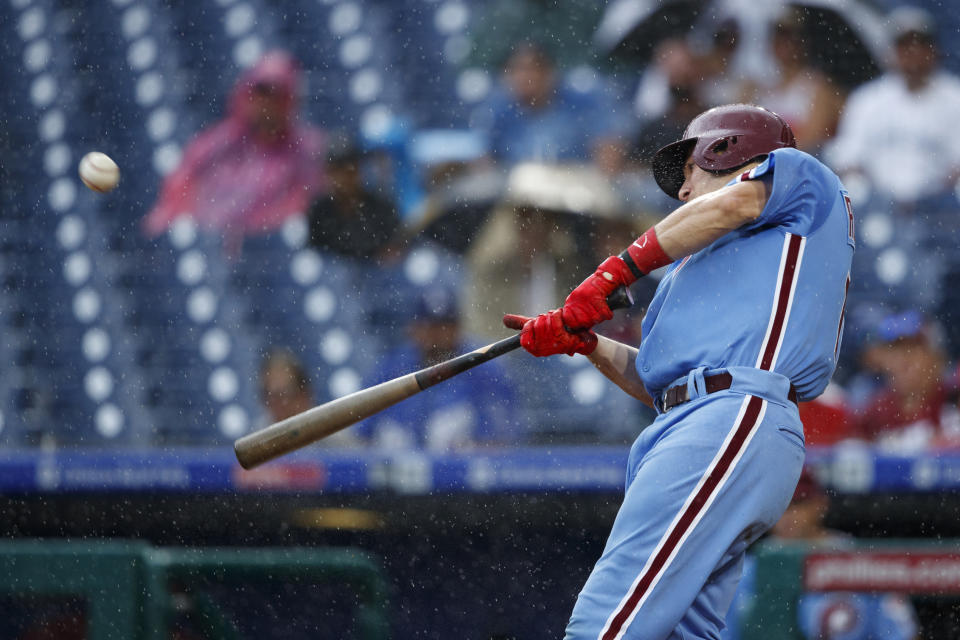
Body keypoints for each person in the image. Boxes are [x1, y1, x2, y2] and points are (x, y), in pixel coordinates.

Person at [502, 104, 853, 638]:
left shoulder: (802, 178)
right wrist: (587, 344)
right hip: (692, 421)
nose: (683, 192)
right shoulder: (690, 274)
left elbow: (733, 202)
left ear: (728, 149)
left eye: (689, 171)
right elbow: (655, 382)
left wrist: (611, 272)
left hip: (733, 412)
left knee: (607, 619)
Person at [143, 50, 325, 252]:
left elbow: (310, 212)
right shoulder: (215, 145)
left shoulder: (308, 152)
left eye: (277, 94)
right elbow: (173, 201)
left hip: (274, 257)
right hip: (210, 250)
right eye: (261, 91)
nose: (267, 102)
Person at [722, 469, 920, 640]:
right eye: (779, 504)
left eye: (796, 504)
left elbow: (903, 634)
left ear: (820, 504)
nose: (787, 514)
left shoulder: (860, 561)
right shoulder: (744, 572)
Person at [827, 6, 960, 205]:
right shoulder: (868, 99)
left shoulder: (954, 97)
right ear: (892, 52)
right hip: (879, 207)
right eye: (905, 46)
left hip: (938, 206)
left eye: (920, 45)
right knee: (852, 188)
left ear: (932, 50)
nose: (913, 53)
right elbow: (846, 157)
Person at [357, 289, 519, 451]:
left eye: (444, 326)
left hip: (460, 471)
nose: (437, 335)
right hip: (397, 468)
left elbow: (500, 440)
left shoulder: (484, 365)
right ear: (413, 329)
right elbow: (363, 433)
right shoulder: (393, 366)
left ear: (458, 329)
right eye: (429, 326)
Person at [471, 42, 627, 168]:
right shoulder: (498, 109)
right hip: (516, 195)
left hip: (576, 191)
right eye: (516, 71)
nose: (523, 78)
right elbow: (482, 162)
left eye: (532, 69)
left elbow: (609, 151)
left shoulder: (581, 103)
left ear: (550, 73)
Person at [737, 8, 843, 152]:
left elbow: (810, 140)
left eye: (790, 37)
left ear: (802, 42)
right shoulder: (757, 86)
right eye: (778, 37)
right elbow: (737, 130)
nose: (784, 44)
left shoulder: (818, 88)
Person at [853, 310, 960, 452]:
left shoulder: (953, 402)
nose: (903, 361)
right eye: (895, 351)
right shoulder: (874, 411)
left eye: (913, 350)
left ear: (937, 358)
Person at [306, 132, 400, 263]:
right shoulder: (319, 212)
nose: (345, 177)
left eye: (349, 169)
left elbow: (393, 256)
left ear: (358, 170)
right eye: (338, 170)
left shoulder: (383, 209)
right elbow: (313, 260)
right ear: (328, 172)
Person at [258, 348, 357, 446]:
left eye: (286, 393)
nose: (279, 403)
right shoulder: (256, 442)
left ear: (304, 394)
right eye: (271, 395)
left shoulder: (335, 439)